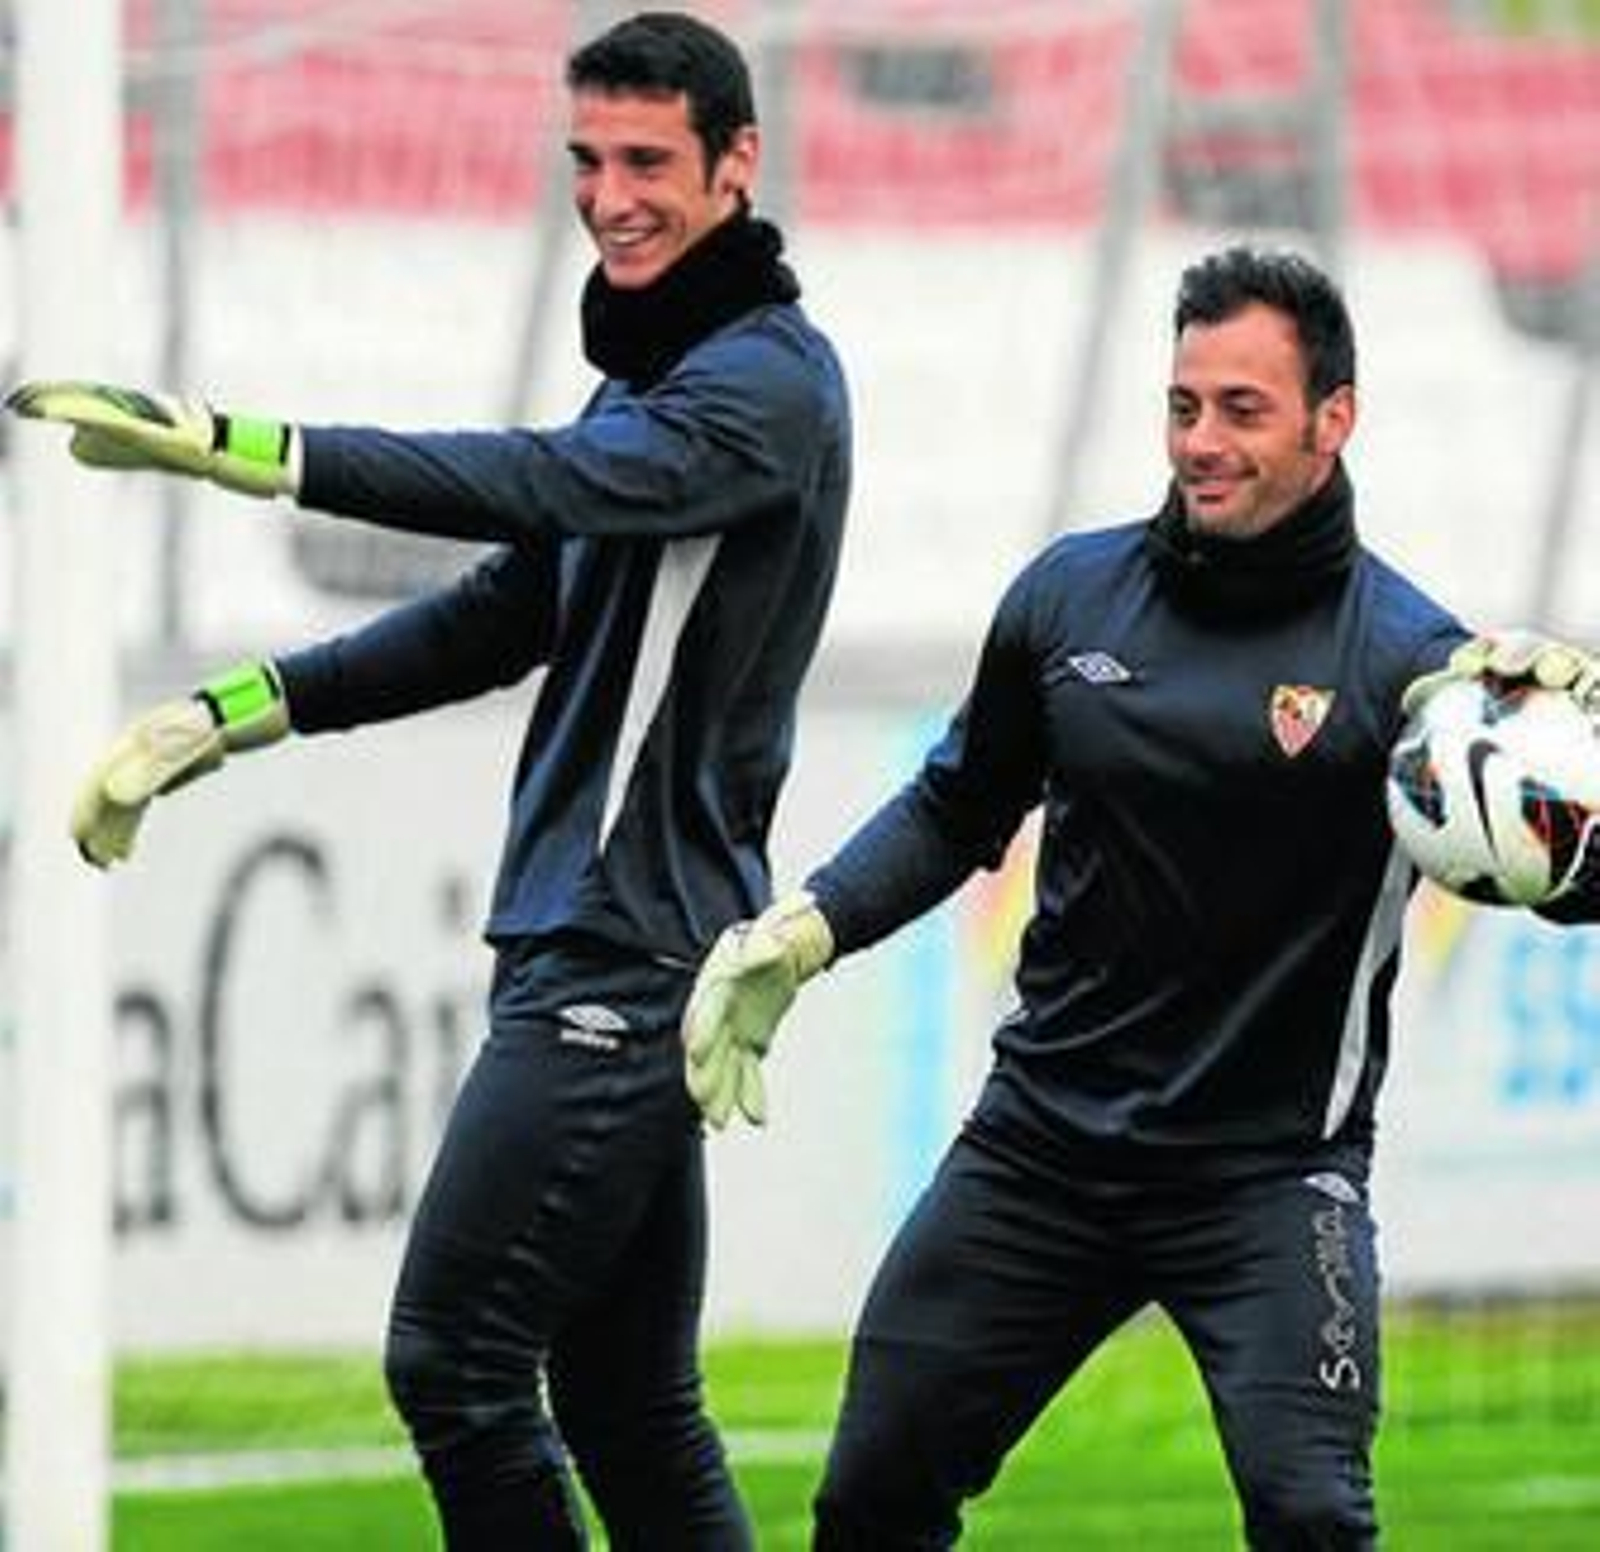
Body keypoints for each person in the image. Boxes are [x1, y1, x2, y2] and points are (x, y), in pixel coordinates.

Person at [8, 11, 850, 1547]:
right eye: (587, 160)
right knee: (624, 1410)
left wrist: (244, 447)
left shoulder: (765, 391)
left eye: (649, 161)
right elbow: (499, 615)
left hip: (625, 948)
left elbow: (537, 482)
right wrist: (234, 713)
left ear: (740, 166)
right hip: (618, 943)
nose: (610, 197)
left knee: (455, 1363)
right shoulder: (658, 386)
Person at [682, 245, 1599, 1548]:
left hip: (1272, 1181)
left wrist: (1572, 768)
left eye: (1243, 409)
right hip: (1039, 1153)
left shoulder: (1416, 671)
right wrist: (807, 928)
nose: (1201, 442)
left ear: (1334, 420)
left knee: (1312, 1521)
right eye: (1183, 406)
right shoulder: (1070, 600)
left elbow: (1568, 880)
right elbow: (957, 805)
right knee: (871, 1496)